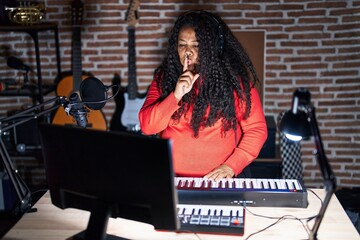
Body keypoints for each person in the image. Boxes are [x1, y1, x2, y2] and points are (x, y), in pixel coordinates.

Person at [138, 10, 268, 180]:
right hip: (173, 180)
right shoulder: (164, 79)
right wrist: (176, 95)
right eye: (182, 44)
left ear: (212, 47)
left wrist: (231, 166)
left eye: (196, 45)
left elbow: (256, 130)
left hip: (221, 182)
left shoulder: (234, 83)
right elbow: (148, 126)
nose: (188, 51)